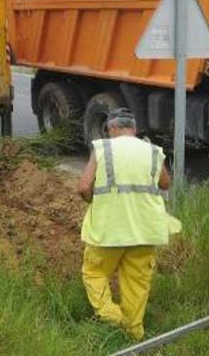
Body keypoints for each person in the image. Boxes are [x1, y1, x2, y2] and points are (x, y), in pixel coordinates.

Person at [77, 108, 181, 340]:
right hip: (146, 231)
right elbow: (165, 183)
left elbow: (83, 187)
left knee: (94, 273)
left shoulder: (102, 148)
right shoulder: (154, 151)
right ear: (133, 128)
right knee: (136, 284)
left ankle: (114, 318)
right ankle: (134, 334)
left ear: (112, 128)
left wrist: (91, 199)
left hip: (108, 229)